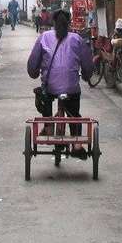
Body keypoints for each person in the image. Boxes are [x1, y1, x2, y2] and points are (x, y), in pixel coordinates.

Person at [27, 9, 94, 158]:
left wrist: (34, 73)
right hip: (71, 87)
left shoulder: (44, 37)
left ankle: (49, 126)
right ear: (69, 23)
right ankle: (77, 144)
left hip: (50, 86)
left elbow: (32, 65)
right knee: (74, 112)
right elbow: (88, 65)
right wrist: (87, 75)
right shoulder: (77, 39)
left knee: (44, 97)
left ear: (53, 23)